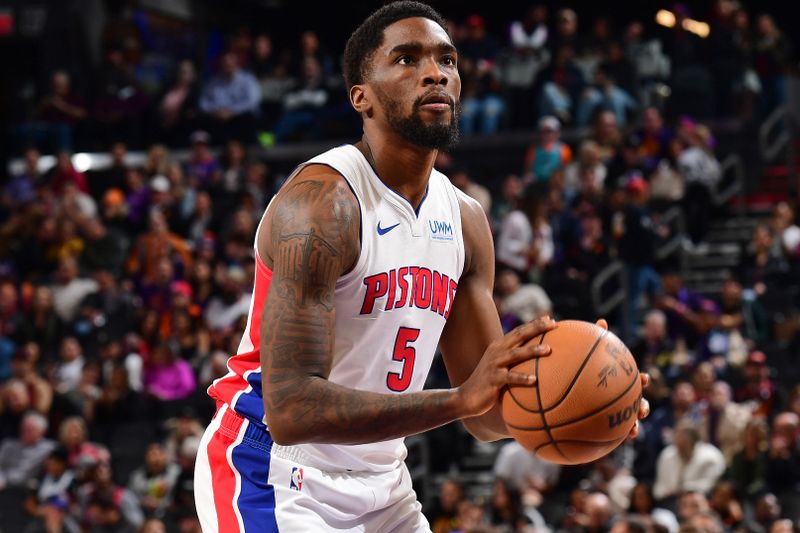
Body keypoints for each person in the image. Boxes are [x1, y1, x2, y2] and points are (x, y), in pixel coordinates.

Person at [194, 3, 649, 531]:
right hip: (272, 470)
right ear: (359, 97)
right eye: (406, 59)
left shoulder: (466, 220)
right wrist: (458, 399)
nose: (435, 72)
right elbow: (293, 411)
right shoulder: (324, 202)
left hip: (384, 480)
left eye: (447, 60)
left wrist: (589, 404)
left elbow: (483, 413)